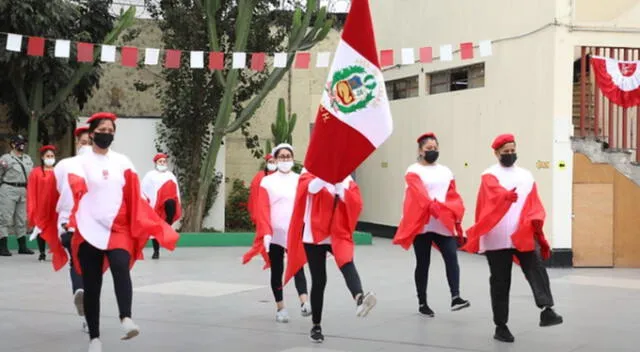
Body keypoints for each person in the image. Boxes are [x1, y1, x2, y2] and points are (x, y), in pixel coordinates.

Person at [68, 112, 179, 352]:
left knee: (120, 264)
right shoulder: (80, 163)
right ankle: (94, 338)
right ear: (92, 132)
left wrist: (148, 221)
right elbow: (71, 193)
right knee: (92, 283)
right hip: (89, 230)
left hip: (117, 228)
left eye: (111, 131)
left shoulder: (122, 162)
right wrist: (67, 223)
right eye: (103, 130)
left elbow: (134, 194)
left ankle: (125, 318)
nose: (106, 135)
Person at [462, 133, 563, 343]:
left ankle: (547, 308)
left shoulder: (526, 175)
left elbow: (534, 201)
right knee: (500, 282)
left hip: (522, 233)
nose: (510, 154)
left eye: (512, 150)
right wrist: (505, 196)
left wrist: (535, 223)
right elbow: (492, 193)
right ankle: (501, 326)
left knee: (536, 267)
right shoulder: (489, 174)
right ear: (497, 153)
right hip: (497, 238)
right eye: (506, 151)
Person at [284, 169, 376, 343]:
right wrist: (329, 175)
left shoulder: (345, 177)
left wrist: (340, 183)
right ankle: (316, 325)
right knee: (319, 281)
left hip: (337, 233)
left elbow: (354, 201)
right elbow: (310, 188)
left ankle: (359, 298)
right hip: (314, 236)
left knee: (347, 262)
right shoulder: (310, 170)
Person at [393, 132, 470, 317]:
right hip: (423, 223)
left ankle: (455, 297)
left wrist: (454, 212)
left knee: (451, 256)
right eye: (428, 149)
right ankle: (422, 302)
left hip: (442, 222)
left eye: (435, 148)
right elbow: (418, 194)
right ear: (420, 151)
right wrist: (431, 207)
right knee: (423, 262)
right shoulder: (413, 171)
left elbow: (452, 193)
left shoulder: (445, 171)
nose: (432, 151)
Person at [242, 143, 311, 323]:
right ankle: (280, 307)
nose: (285, 160)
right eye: (281, 157)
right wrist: (266, 232)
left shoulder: (300, 179)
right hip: (275, 234)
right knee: (277, 270)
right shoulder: (267, 182)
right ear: (276, 159)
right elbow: (263, 208)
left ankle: (304, 302)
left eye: (288, 156)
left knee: (298, 266)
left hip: (295, 232)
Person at [141, 153, 182, 259]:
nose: (162, 163)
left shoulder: (170, 175)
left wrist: (178, 202)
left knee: (169, 206)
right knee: (156, 229)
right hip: (155, 205)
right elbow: (143, 189)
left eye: (164, 161)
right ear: (156, 163)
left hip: (168, 205)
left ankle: (166, 226)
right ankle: (156, 251)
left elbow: (176, 190)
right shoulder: (150, 175)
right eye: (160, 161)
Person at [0, 134, 34, 256]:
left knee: (21, 219)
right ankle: (2, 247)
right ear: (13, 144)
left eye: (23, 142)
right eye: (20, 142)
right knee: (4, 218)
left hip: (23, 190)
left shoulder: (28, 159)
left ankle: (22, 247)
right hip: (9, 188)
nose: (22, 145)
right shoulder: (6, 158)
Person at [27, 145, 58, 262]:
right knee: (40, 229)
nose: (50, 158)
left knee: (55, 230)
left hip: (55, 206)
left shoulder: (58, 171)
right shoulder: (36, 172)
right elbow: (31, 190)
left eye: (52, 156)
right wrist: (32, 207)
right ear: (42, 157)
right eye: (47, 156)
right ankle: (42, 252)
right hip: (40, 206)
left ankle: (56, 252)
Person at [247, 154, 277, 225]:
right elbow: (254, 194)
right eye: (270, 162)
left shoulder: (281, 176)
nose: (272, 164)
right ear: (266, 163)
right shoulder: (260, 176)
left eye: (274, 162)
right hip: (263, 207)